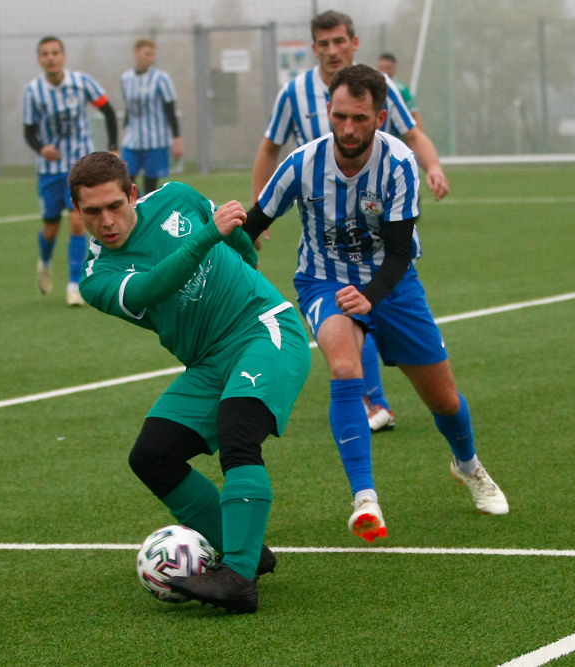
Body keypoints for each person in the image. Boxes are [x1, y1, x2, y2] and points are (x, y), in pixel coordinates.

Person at [245, 64, 508, 544]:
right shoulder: (302, 164)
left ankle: (468, 465)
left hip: (394, 284)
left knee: (443, 399)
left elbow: (401, 251)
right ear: (327, 110)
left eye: (360, 119)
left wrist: (369, 297)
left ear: (380, 117)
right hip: (324, 283)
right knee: (345, 368)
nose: (348, 129)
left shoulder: (400, 163)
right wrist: (236, 250)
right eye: (340, 116)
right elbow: (254, 221)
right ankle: (365, 499)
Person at [71, 152, 311, 613]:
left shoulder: (178, 196)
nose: (106, 221)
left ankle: (237, 577)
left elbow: (235, 236)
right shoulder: (97, 277)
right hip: (206, 362)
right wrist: (208, 237)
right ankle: (245, 546)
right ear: (76, 213)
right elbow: (149, 289)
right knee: (152, 455)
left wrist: (245, 270)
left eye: (115, 206)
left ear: (133, 195)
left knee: (238, 433)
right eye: (92, 212)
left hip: (263, 328)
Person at [252, 10, 449, 434]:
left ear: (353, 43)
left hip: (376, 216)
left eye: (339, 41)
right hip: (322, 230)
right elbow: (270, 150)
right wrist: (260, 206)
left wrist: (432, 165)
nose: (332, 50)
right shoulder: (294, 94)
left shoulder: (382, 89)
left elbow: (412, 135)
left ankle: (398, 412)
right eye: (323, 44)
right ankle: (371, 401)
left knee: (374, 297)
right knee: (345, 312)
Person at [22, 36, 118, 306]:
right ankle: (44, 262)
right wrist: (42, 148)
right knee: (51, 228)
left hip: (80, 168)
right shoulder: (33, 91)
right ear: (40, 59)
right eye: (45, 54)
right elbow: (29, 131)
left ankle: (74, 285)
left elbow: (108, 111)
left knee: (78, 221)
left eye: (55, 53)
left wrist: (112, 147)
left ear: (63, 57)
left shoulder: (82, 82)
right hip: (49, 170)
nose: (50, 58)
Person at [120, 39, 184, 195]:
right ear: (136, 54)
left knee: (150, 186)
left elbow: (170, 110)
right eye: (147, 54)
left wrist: (176, 138)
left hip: (155, 141)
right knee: (124, 179)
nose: (151, 58)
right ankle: (139, 204)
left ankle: (147, 212)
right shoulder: (126, 79)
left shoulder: (161, 78)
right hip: (133, 140)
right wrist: (124, 129)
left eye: (153, 55)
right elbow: (129, 107)